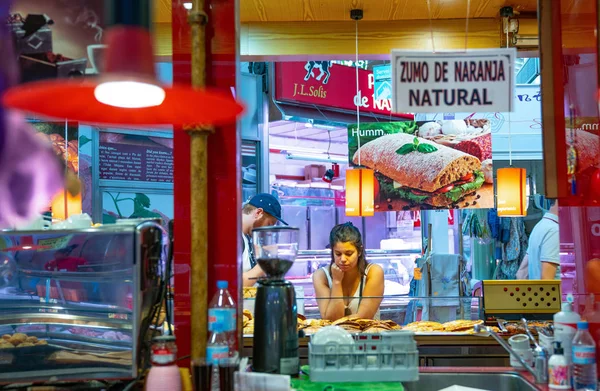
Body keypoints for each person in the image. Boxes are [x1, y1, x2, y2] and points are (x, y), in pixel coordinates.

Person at [312, 223, 384, 321]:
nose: (343, 259)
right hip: (334, 336)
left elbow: (364, 317)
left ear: (359, 251)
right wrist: (337, 282)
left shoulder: (374, 272)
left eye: (349, 254)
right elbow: (331, 319)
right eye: (338, 254)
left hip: (367, 335)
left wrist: (339, 321)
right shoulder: (321, 276)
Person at [241, 193, 287, 287]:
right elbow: (233, 285)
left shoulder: (247, 238)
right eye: (269, 224)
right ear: (258, 213)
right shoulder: (231, 236)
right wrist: (266, 262)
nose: (267, 231)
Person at [519, 199, 560, 280]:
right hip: (551, 292)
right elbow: (547, 280)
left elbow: (521, 274)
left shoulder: (539, 226)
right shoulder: (554, 230)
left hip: (537, 291)